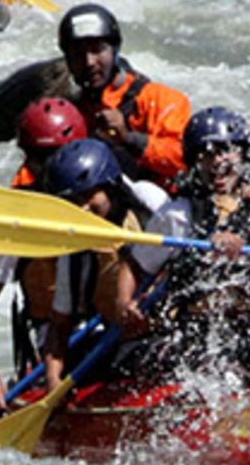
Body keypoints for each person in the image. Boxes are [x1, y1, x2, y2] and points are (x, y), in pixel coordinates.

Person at [124, 107, 250, 382]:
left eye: (225, 152)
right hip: (201, 328)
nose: (217, 163)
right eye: (206, 155)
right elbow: (134, 265)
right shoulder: (178, 215)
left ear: (243, 155)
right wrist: (126, 304)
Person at [0, 98, 87, 418]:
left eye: (57, 156)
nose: (49, 169)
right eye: (39, 158)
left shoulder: (110, 193)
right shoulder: (21, 218)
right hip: (56, 339)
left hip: (109, 326)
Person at [38, 138, 168, 394]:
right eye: (74, 202)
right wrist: (53, 379)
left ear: (109, 186)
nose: (83, 209)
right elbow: (60, 325)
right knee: (82, 358)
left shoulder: (148, 202)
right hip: (121, 339)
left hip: (168, 329)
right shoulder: (74, 249)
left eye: (88, 196)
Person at [56, 3, 191, 188]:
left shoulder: (161, 99)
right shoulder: (66, 113)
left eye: (97, 50)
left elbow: (185, 159)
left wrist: (128, 139)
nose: (89, 62)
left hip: (157, 205)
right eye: (78, 53)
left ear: (114, 50)